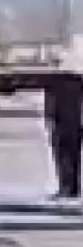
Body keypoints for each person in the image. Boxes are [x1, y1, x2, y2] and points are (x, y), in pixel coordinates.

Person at [44, 71, 83, 201]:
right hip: (63, 77)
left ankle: (69, 187)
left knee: (65, 139)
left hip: (66, 76)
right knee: (65, 138)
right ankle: (69, 186)